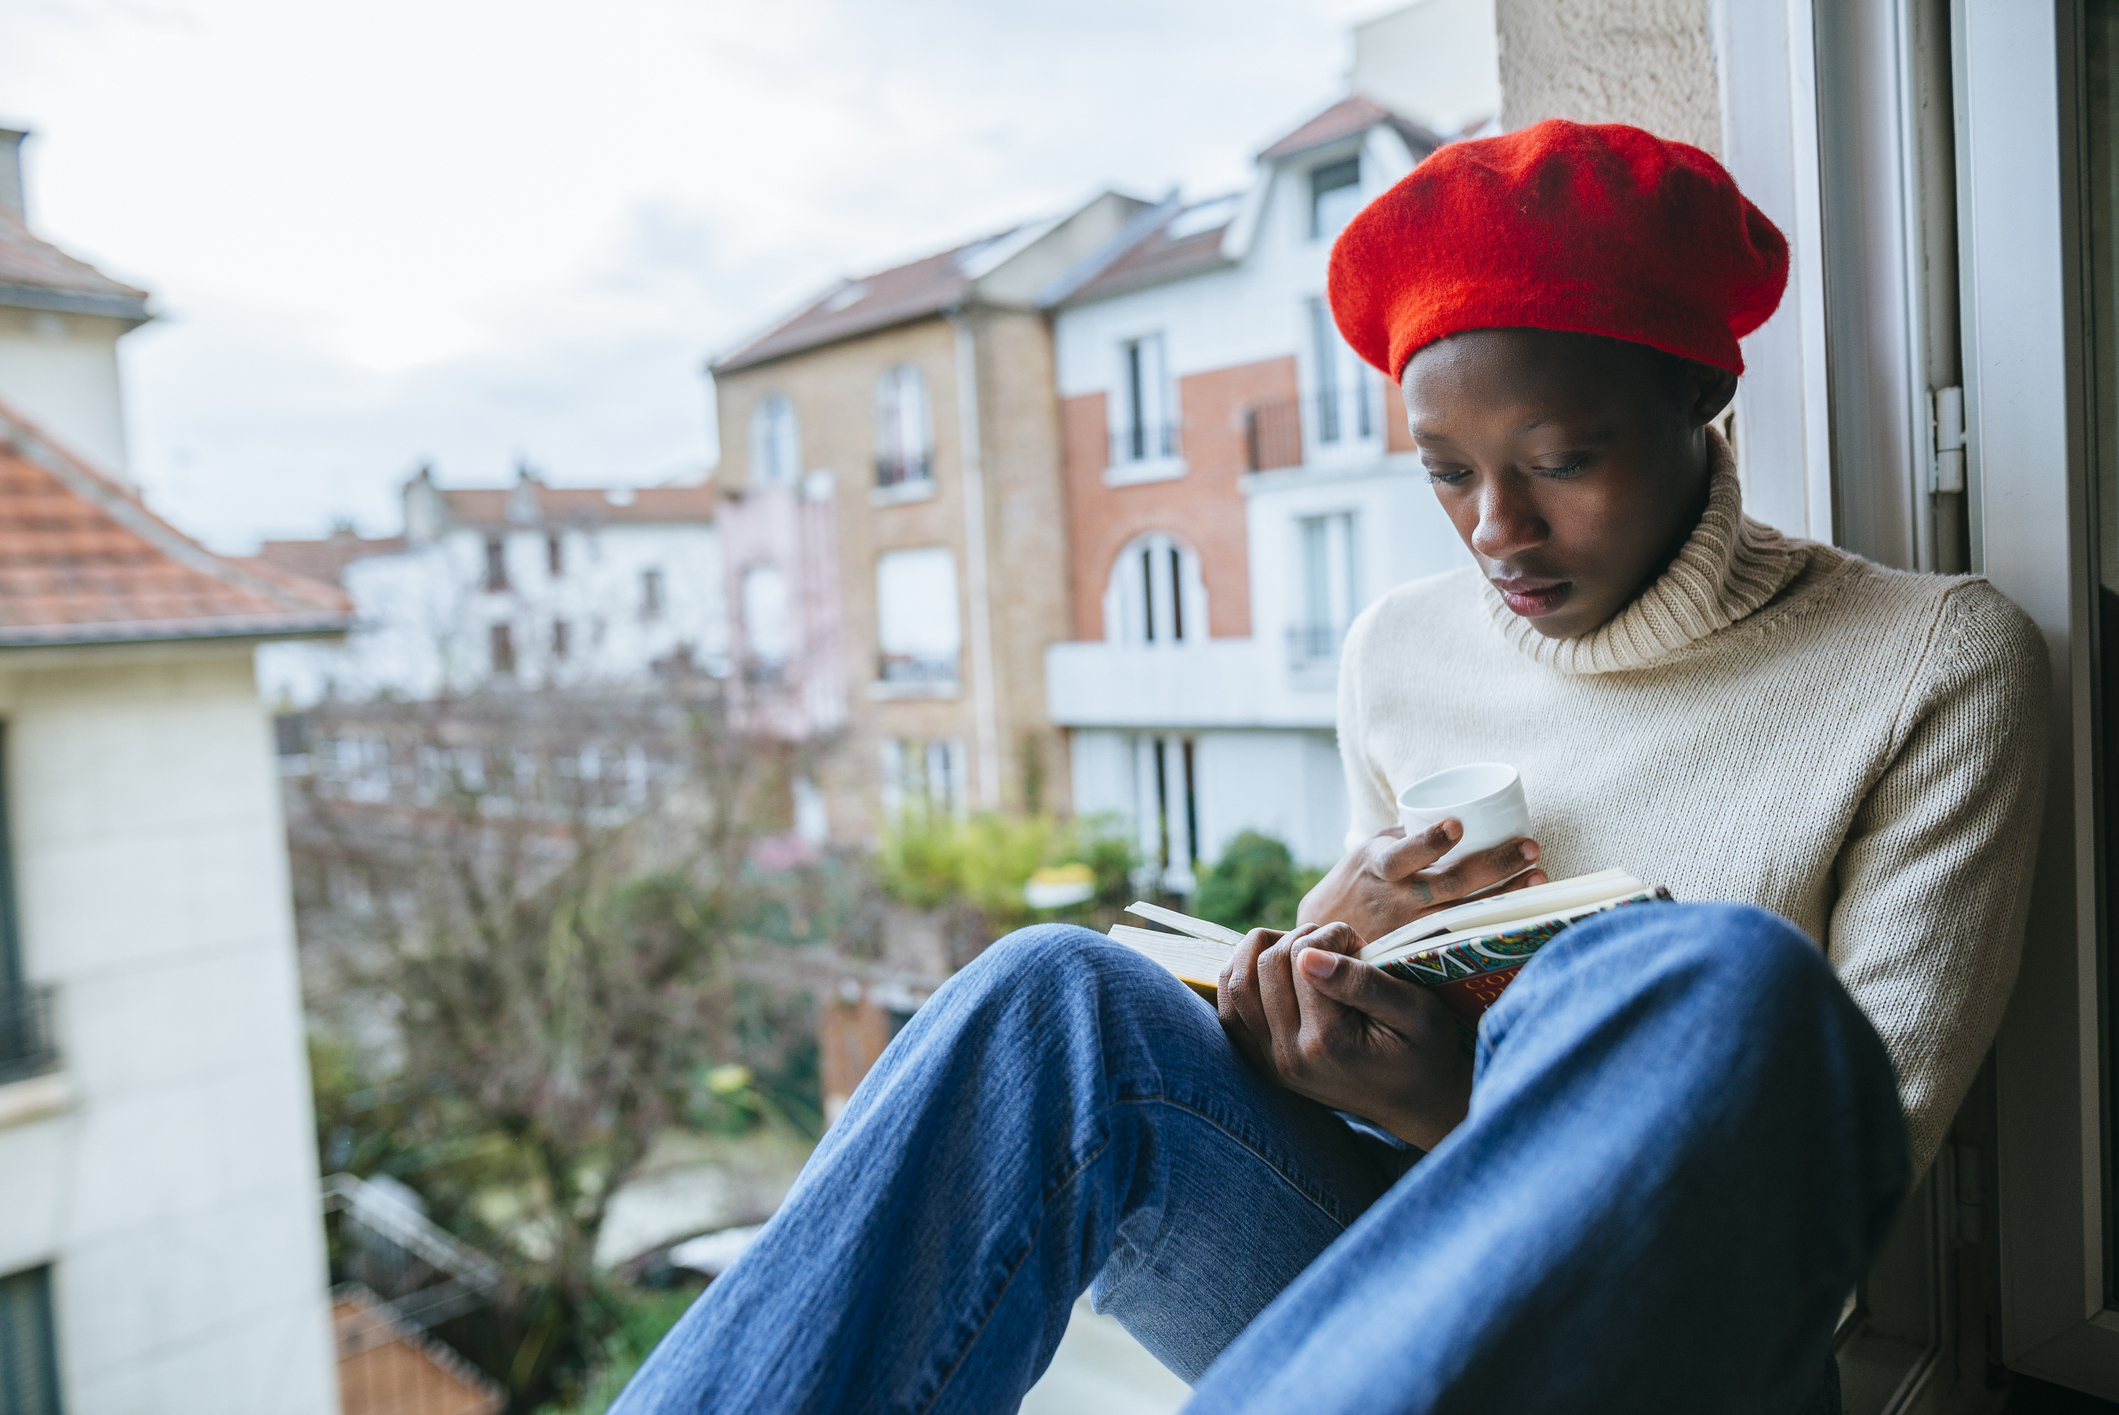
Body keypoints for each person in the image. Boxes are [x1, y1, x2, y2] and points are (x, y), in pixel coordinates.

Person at [612, 120, 2047, 1414]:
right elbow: (1351, 1104)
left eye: (1562, 459)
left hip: (1682, 1353)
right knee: (1053, 998)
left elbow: (1836, 1177)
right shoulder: (1400, 652)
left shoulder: (1928, 663)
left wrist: (1451, 1101)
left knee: (1701, 980)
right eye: (1445, 471)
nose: (1497, 529)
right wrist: (1316, 991)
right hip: (1379, 1295)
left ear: (1700, 399)